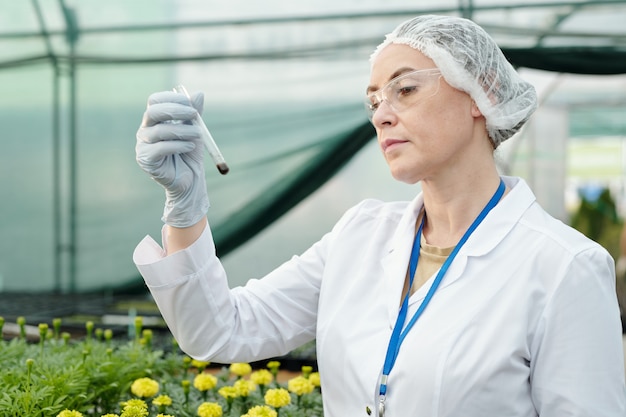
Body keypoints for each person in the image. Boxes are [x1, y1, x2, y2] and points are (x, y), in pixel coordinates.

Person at [133, 14, 626, 416]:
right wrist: (185, 210)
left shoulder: (565, 267)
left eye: (405, 90)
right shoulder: (360, 235)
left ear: (484, 94)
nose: (380, 114)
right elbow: (220, 331)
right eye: (374, 100)